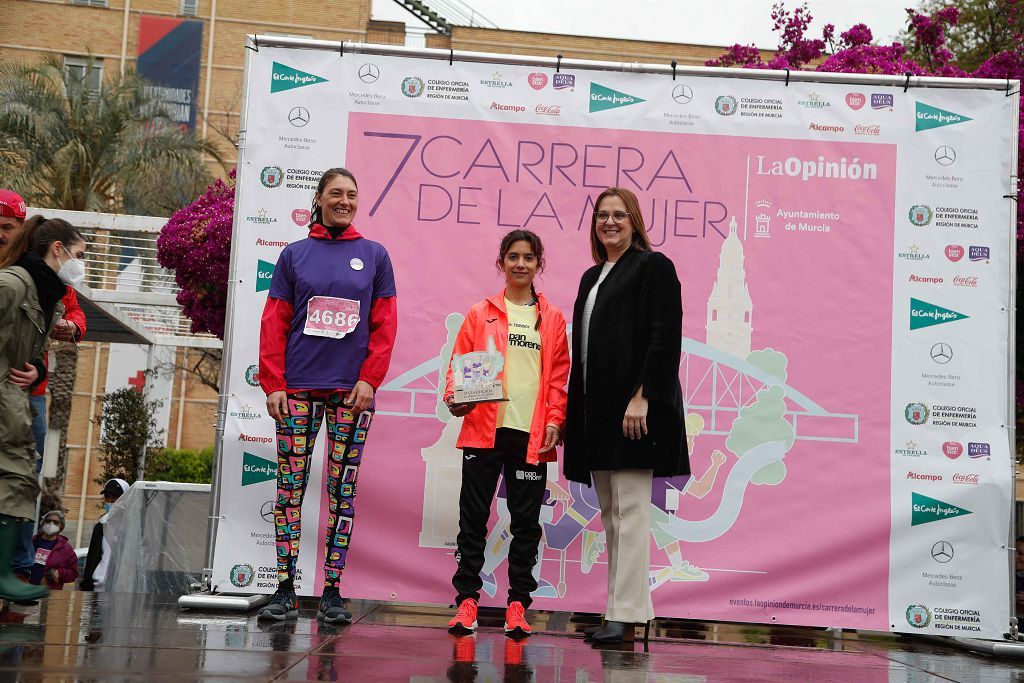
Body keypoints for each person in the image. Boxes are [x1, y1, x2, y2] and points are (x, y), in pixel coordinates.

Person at [257, 168, 398, 623]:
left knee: (342, 491)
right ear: (318, 199)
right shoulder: (294, 255)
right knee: (289, 490)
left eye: (352, 195)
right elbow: (274, 322)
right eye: (335, 193)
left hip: (351, 395)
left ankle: (332, 591)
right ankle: (284, 589)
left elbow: (385, 326)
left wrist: (370, 379)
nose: (344, 201)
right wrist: (273, 383)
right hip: (298, 389)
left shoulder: (374, 255)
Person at [563, 187, 689, 644]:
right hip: (596, 414)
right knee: (613, 515)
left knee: (632, 512)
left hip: (635, 412)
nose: (609, 222)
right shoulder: (592, 276)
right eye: (602, 215)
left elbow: (664, 336)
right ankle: (627, 608)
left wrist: (644, 397)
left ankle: (626, 613)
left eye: (619, 215)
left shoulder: (654, 267)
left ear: (634, 221)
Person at [443, 230, 570, 638]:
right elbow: (458, 366)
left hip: (529, 436)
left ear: (538, 264)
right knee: (473, 520)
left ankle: (518, 605)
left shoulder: (551, 318)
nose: (520, 264)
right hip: (484, 431)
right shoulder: (480, 313)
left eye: (528, 258)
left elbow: (558, 381)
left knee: (526, 524)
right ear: (501, 263)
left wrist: (554, 421)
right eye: (513, 257)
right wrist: (454, 397)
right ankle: (467, 602)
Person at [0, 191, 89, 580]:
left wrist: (67, 333)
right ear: (56, 248)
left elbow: (74, 316)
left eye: (7, 227)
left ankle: (15, 566)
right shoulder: (15, 280)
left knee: (22, 478)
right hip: (9, 393)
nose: (2, 235)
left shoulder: (49, 283)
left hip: (26, 396)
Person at [79, 478, 130, 592]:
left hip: (119, 591)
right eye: (108, 497)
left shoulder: (131, 528)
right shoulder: (100, 527)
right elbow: (92, 558)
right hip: (96, 589)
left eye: (115, 497)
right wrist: (86, 585)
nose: (111, 501)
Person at [29, 510, 77, 589]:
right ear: (43, 523)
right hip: (26, 589)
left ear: (61, 526)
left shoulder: (66, 548)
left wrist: (58, 573)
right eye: (48, 521)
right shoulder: (31, 542)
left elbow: (73, 573)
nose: (51, 524)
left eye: (56, 522)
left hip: (50, 593)